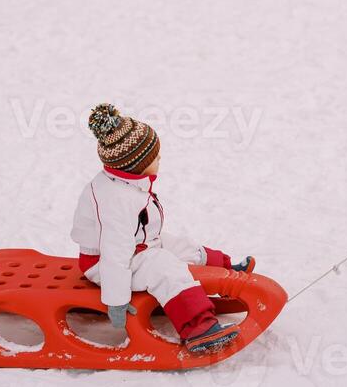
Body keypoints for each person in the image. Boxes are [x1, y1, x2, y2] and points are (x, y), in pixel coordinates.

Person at [71, 103, 255, 355]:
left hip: (138, 244)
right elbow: (115, 252)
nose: (160, 159)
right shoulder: (116, 199)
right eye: (154, 157)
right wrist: (116, 301)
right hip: (104, 264)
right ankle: (198, 328)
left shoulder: (125, 183)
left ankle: (225, 269)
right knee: (165, 268)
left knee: (180, 245)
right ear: (135, 164)